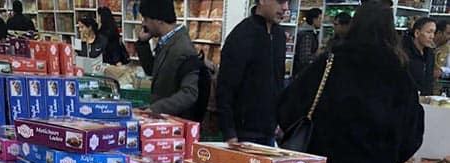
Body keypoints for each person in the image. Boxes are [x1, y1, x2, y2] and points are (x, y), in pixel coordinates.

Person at [278, 2, 423, 163]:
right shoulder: (401, 77)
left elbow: (288, 108)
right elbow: (410, 140)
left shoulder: (329, 64)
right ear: (391, 31)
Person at [216, 0, 288, 145]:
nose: (285, 7)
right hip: (244, 135)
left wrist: (280, 120)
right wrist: (229, 133)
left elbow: (279, 81)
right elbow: (225, 88)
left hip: (270, 132)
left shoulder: (279, 35)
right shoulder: (242, 35)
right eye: (280, 1)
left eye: (287, 2)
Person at [135, 0, 199, 118]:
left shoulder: (183, 49)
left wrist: (157, 108)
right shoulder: (167, 42)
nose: (143, 24)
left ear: (158, 20)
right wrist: (142, 43)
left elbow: (189, 93)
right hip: (163, 120)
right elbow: (152, 70)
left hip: (174, 122)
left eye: (146, 19)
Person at [402, 17, 436, 95]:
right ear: (417, 33)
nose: (432, 36)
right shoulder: (404, 52)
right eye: (429, 32)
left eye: (434, 32)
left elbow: (429, 79)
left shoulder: (430, 54)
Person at [293, 7, 322, 76]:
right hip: (302, 74)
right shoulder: (307, 35)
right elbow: (304, 59)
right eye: (320, 18)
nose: (321, 21)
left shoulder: (310, 33)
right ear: (314, 19)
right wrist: (317, 54)